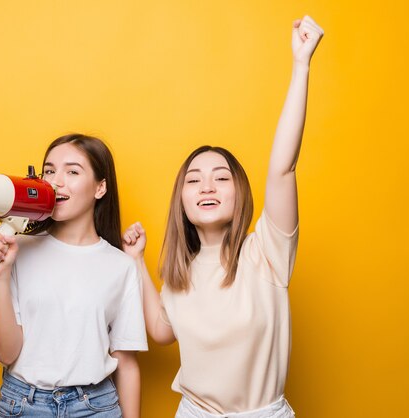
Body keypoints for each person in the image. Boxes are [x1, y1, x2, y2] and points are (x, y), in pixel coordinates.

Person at [122, 16, 324, 418]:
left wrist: (301, 65)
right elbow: (162, 331)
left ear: (240, 193)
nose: (207, 187)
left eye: (220, 177)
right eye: (194, 180)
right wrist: (135, 262)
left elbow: (283, 168)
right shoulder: (182, 272)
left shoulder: (266, 251)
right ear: (181, 200)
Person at [0, 134, 147, 418]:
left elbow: (126, 363)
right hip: (21, 405)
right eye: (50, 170)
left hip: (95, 408)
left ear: (100, 187)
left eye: (73, 171)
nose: (56, 181)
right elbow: (6, 355)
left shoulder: (121, 266)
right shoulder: (16, 252)